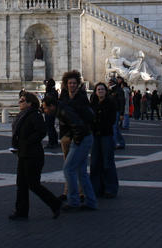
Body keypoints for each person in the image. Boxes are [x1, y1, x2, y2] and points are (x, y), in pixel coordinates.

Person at [9, 92, 61, 220]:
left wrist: (27, 142)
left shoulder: (35, 115)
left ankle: (55, 203)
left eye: (22, 100)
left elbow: (42, 131)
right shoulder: (23, 115)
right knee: (21, 183)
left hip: (33, 154)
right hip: (23, 153)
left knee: (33, 184)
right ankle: (21, 211)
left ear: (30, 103)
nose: (19, 102)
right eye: (20, 100)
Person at [53, 69, 97, 211]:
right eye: (69, 83)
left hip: (81, 137)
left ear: (78, 84)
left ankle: (73, 201)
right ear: (65, 84)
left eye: (74, 83)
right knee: (81, 171)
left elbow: (85, 119)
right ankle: (91, 202)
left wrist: (76, 136)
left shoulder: (82, 98)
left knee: (69, 169)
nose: (72, 85)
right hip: (71, 137)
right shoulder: (64, 98)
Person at [89, 82, 119, 198]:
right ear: (95, 92)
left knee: (107, 162)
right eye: (98, 89)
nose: (100, 91)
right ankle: (96, 188)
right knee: (95, 162)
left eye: (102, 89)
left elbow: (112, 120)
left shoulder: (110, 103)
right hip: (96, 135)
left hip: (106, 134)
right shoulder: (93, 104)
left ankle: (110, 188)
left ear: (106, 91)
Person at [110, 76, 127, 148]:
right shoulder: (110, 90)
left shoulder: (119, 90)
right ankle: (122, 143)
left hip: (116, 111)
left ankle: (113, 144)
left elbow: (122, 102)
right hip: (111, 111)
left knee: (114, 127)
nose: (109, 83)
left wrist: (121, 113)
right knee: (115, 128)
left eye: (110, 82)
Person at [43, 79, 59, 148]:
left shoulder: (50, 92)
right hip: (52, 111)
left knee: (49, 127)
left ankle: (51, 142)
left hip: (49, 110)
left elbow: (48, 100)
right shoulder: (54, 91)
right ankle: (54, 141)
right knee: (51, 127)